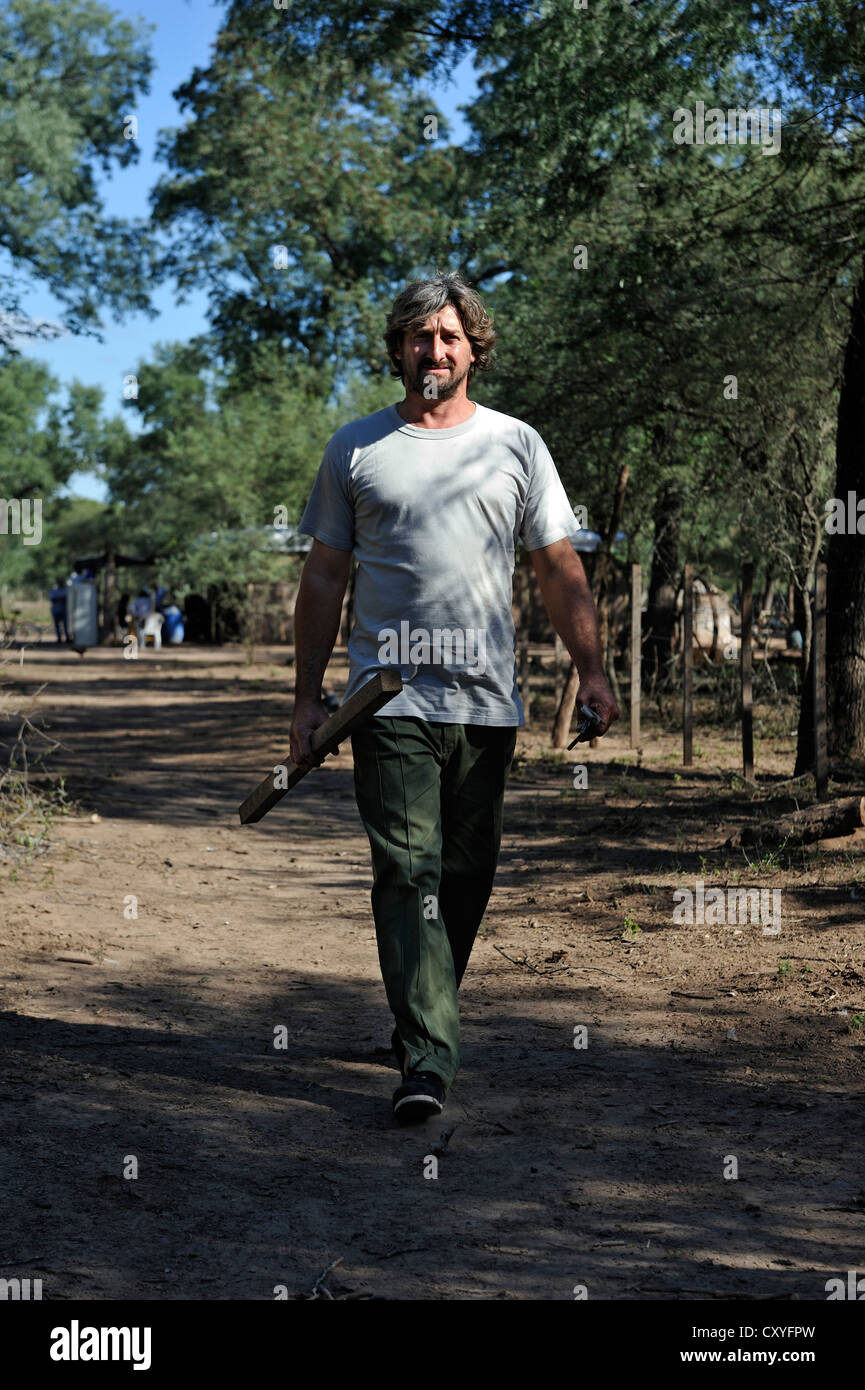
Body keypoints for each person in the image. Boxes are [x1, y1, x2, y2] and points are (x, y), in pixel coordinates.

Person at [290, 272, 619, 1125]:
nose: (432, 351)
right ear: (396, 348)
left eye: (448, 337)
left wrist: (591, 670)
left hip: (485, 702)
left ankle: (423, 1010)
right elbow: (324, 575)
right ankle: (427, 1059)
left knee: (465, 875)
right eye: (416, 336)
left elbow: (557, 566)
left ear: (474, 348)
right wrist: (305, 702)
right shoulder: (356, 448)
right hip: (384, 700)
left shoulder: (516, 445)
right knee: (408, 870)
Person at [49, 578, 69, 644]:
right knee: (57, 625)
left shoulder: (65, 589)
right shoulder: (54, 590)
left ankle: (67, 638)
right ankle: (59, 638)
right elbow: (52, 599)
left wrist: (59, 598)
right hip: (56, 610)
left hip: (64, 610)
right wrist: (61, 598)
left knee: (65, 625)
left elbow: (67, 599)